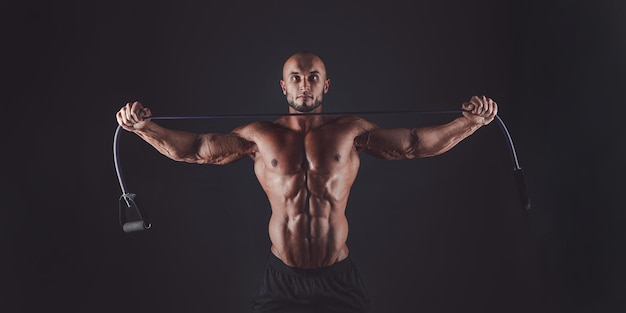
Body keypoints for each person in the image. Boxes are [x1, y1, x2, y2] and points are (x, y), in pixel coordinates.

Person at [116, 51, 497, 313]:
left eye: (312, 77)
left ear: (325, 85)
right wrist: (143, 128)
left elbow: (414, 145)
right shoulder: (258, 136)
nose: (304, 84)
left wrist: (469, 123)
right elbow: (197, 149)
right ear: (283, 86)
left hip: (338, 277)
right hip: (282, 279)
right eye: (295, 78)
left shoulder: (351, 131)